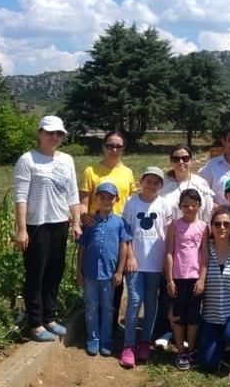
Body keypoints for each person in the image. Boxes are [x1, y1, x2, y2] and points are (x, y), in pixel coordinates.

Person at [14, 115, 81, 342]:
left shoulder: (67, 160)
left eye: (59, 133)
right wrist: (22, 229)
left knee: (55, 272)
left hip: (59, 223)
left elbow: (72, 193)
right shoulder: (28, 160)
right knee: (36, 275)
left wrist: (77, 221)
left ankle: (49, 318)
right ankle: (35, 323)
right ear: (39, 133)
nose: (54, 137)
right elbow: (20, 197)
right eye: (49, 132)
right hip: (37, 225)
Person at [79, 131, 137, 337]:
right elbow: (85, 199)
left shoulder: (128, 172)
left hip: (119, 227)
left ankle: (110, 324)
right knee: (95, 273)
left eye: (118, 146)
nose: (114, 149)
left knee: (115, 276)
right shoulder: (91, 170)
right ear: (103, 146)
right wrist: (83, 217)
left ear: (123, 149)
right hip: (96, 226)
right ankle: (96, 326)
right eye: (110, 145)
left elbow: (131, 201)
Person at [120, 166, 177, 368]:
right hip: (135, 262)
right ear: (141, 182)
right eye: (148, 181)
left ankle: (145, 341)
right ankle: (128, 345)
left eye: (156, 182)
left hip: (156, 263)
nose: (151, 185)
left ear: (161, 185)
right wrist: (130, 256)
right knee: (135, 300)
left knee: (151, 302)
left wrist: (166, 262)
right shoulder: (131, 202)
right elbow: (126, 233)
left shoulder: (164, 205)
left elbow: (169, 235)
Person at [77, 183, 131, 356]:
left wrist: (119, 271)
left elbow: (124, 247)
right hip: (90, 273)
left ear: (116, 200)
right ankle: (93, 339)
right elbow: (82, 248)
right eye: (102, 197)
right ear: (96, 199)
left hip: (109, 274)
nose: (106, 200)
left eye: (110, 197)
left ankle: (106, 340)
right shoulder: (90, 222)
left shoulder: (120, 223)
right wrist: (79, 272)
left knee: (108, 307)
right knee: (91, 306)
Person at [196, 210, 230, 371]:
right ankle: (219, 342)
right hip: (210, 316)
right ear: (211, 227)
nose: (222, 227)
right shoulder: (203, 251)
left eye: (226, 224)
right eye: (217, 224)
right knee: (208, 364)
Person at [164, 189, 209, 370]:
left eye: (193, 205)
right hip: (178, 277)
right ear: (180, 206)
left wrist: (202, 279)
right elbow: (168, 252)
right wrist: (169, 280)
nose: (190, 208)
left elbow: (205, 254)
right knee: (178, 316)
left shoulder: (204, 227)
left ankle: (191, 349)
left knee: (193, 316)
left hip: (195, 278)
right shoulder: (174, 225)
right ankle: (180, 352)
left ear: (199, 206)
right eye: (186, 205)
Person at [161, 144, 215, 222]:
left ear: (191, 161)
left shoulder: (201, 183)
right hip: (170, 232)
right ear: (171, 162)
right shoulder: (163, 185)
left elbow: (207, 213)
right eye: (176, 159)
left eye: (185, 158)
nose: (181, 162)